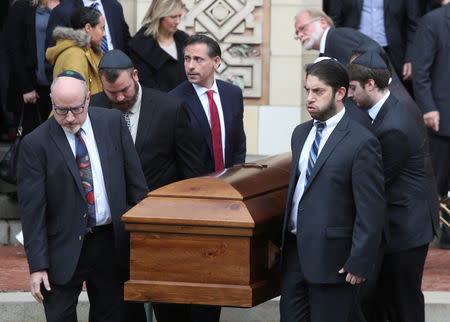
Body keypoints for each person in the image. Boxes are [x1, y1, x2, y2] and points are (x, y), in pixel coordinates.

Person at [17, 70, 148, 321]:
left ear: (88, 99)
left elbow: (136, 185)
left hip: (110, 244)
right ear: (52, 103)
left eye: (76, 109)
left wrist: (140, 242)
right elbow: (32, 212)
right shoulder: (36, 144)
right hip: (61, 248)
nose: (68, 118)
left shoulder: (112, 122)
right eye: (60, 110)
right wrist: (37, 267)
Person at [280, 59, 385, 322]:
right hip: (294, 254)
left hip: (335, 262)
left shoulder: (362, 142)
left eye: (318, 91)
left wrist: (360, 260)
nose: (310, 98)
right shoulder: (300, 133)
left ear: (340, 93)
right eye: (307, 91)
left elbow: (370, 208)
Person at [347, 51, 435, 322]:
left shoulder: (393, 126)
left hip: (406, 229)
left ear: (370, 84)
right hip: (398, 225)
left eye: (352, 88)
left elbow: (375, 182)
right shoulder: (385, 111)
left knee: (403, 304)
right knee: (386, 302)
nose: (349, 95)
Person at [170, 34, 246, 173]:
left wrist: (236, 178)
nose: (190, 66)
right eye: (187, 59)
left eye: (198, 59)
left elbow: (238, 144)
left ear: (216, 62)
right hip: (193, 188)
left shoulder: (233, 94)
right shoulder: (173, 100)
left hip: (230, 185)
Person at [412, 3, 450, 249]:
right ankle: (434, 233)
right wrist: (428, 107)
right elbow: (421, 71)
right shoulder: (432, 22)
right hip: (442, 118)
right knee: (438, 182)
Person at [326, 0, 421, 86]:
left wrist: (410, 57)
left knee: (394, 95)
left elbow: (413, 25)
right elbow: (335, 22)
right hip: (355, 52)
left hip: (392, 53)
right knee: (354, 93)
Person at [4, 0, 60, 135]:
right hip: (32, 89)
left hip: (60, 85)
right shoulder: (23, 6)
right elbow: (14, 48)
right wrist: (26, 87)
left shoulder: (69, 4)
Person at [128, 0, 188, 92]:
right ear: (160, 16)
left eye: (179, 16)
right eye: (173, 17)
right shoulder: (140, 45)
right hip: (157, 103)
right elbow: (145, 84)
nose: (178, 21)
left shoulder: (183, 39)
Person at [46, 6, 104, 96]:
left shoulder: (90, 50)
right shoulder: (74, 56)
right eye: (102, 28)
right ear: (88, 28)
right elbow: (75, 99)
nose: (105, 34)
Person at [45, 0, 130, 53]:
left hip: (116, 74)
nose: (104, 34)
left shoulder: (114, 6)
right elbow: (53, 51)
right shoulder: (63, 11)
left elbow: (125, 41)